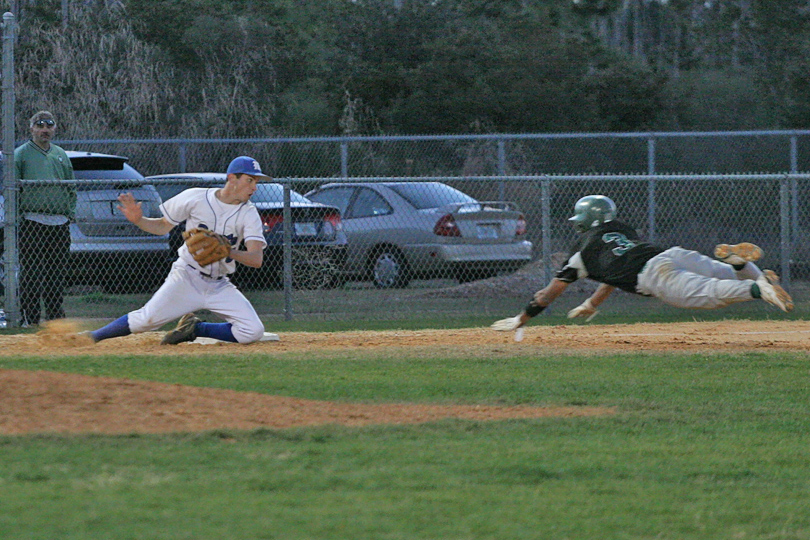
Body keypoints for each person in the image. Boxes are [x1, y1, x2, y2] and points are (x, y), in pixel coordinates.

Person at [491, 194, 793, 333]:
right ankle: (741, 264)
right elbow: (613, 270)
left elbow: (547, 295)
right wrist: (593, 303)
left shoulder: (580, 255)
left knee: (709, 294)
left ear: (586, 221)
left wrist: (522, 319)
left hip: (653, 274)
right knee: (725, 274)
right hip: (669, 254)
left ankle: (760, 290)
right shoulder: (621, 229)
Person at [86, 156, 270, 345]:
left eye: (255, 181)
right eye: (249, 180)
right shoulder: (196, 197)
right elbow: (162, 227)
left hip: (219, 285)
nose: (254, 187)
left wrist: (228, 252)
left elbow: (256, 259)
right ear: (232, 178)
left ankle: (195, 328)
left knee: (252, 331)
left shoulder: (249, 213)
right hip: (186, 277)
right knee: (145, 320)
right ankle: (92, 336)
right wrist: (139, 220)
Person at [14, 111, 76, 326]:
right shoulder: (21, 154)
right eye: (40, 126)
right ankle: (29, 317)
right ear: (31, 129)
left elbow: (71, 186)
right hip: (32, 221)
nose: (45, 130)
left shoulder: (60, 154)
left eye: (49, 126)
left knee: (56, 273)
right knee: (31, 272)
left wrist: (70, 212)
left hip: (59, 223)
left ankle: (55, 317)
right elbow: (12, 189)